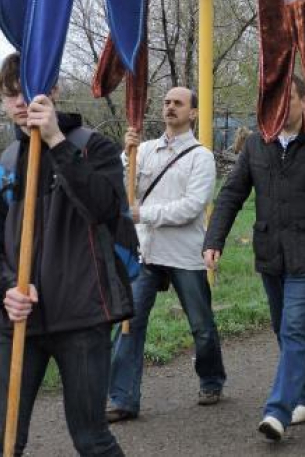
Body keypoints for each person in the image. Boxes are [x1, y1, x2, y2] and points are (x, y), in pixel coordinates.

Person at [203, 76, 305, 442]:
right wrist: (215, 240)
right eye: (272, 100)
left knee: (293, 329)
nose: (278, 106)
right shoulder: (258, 143)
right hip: (271, 253)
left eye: (287, 99)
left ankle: (278, 411)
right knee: (284, 330)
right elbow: (231, 194)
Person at [0, 53, 130, 456]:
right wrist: (7, 288)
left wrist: (56, 142)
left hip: (82, 316)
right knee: (4, 438)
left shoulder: (94, 147)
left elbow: (105, 209)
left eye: (28, 91)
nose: (20, 103)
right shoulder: (5, 162)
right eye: (9, 95)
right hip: (19, 316)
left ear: (52, 89)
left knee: (91, 439)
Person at [107, 88, 225, 422]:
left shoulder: (201, 156)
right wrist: (125, 153)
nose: (170, 107)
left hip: (185, 253)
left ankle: (212, 378)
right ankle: (123, 398)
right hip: (146, 252)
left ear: (193, 113)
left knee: (201, 326)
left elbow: (191, 207)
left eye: (178, 103)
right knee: (129, 324)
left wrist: (143, 213)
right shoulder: (143, 150)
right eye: (167, 102)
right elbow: (119, 185)